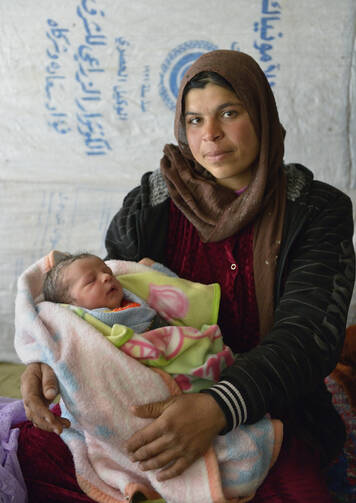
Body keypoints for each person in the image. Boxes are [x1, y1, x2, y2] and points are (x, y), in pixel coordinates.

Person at [18, 49, 355, 503]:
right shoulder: (153, 203)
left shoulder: (315, 212)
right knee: (37, 465)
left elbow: (307, 336)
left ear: (262, 117)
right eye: (194, 120)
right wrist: (44, 355)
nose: (210, 135)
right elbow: (100, 306)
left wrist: (216, 407)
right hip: (144, 403)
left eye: (229, 113)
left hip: (268, 406)